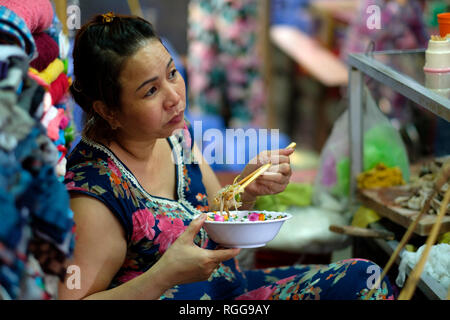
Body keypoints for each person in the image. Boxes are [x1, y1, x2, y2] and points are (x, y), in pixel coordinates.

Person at [59, 13, 394, 300]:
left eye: (172, 74)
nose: (174, 96)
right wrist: (163, 275)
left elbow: (215, 215)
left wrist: (246, 188)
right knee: (360, 284)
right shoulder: (95, 192)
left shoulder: (175, 134)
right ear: (108, 111)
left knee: (367, 277)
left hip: (228, 288)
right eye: (151, 90)